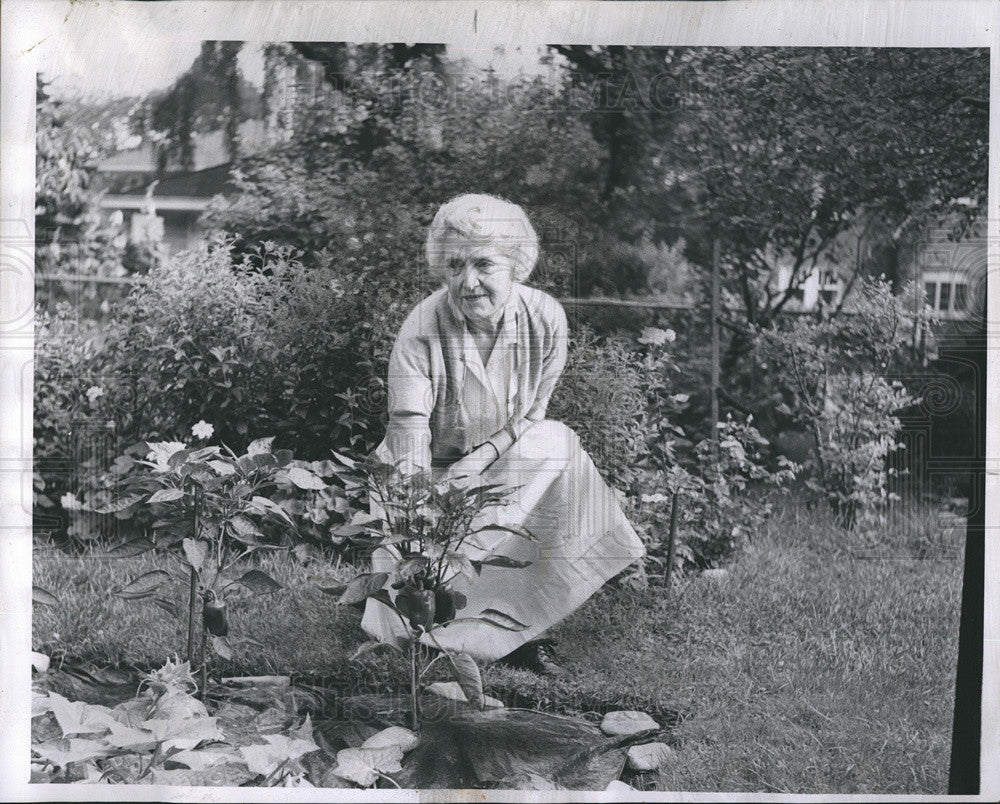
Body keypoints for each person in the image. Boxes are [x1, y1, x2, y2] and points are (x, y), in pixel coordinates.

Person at [360, 194, 645, 673]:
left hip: (503, 463)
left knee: (556, 443)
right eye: (454, 265)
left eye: (483, 264)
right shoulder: (420, 331)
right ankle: (432, 629)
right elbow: (408, 435)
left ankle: (523, 630)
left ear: (515, 264)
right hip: (427, 470)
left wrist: (485, 456)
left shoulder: (545, 318)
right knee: (413, 605)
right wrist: (424, 510)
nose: (467, 283)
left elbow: (533, 413)